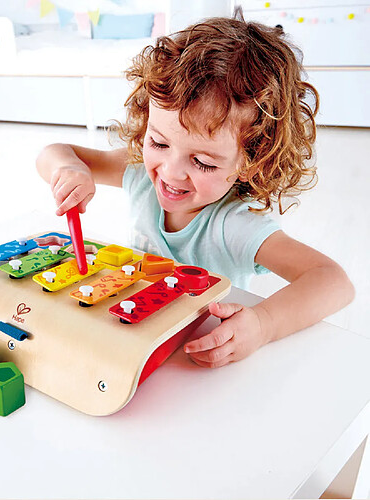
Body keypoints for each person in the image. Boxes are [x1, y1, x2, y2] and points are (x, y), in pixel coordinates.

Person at [36, 11, 354, 368]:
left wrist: (263, 324)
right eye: (158, 142)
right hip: (129, 341)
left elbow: (333, 281)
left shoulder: (233, 226)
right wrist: (68, 168)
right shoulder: (141, 173)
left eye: (202, 162)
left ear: (251, 160)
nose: (171, 173)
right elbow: (54, 153)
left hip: (192, 358)